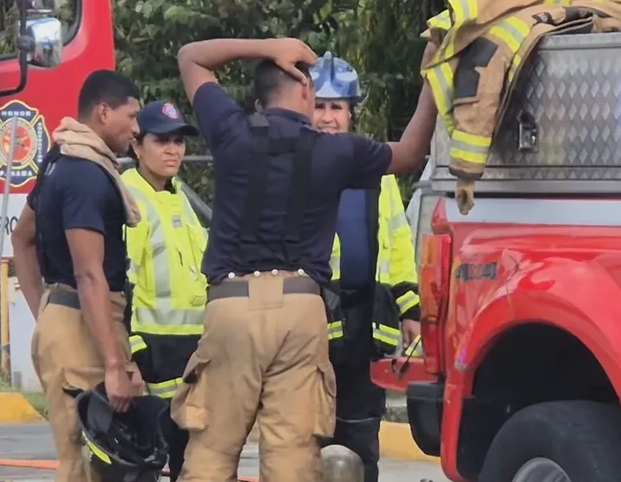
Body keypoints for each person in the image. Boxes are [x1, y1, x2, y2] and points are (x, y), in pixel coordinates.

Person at [169, 36, 438, 481]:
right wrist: (431, 78)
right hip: (302, 308)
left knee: (212, 450)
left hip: (232, 306)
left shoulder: (231, 130)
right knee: (292, 458)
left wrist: (267, 46)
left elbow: (190, 56)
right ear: (307, 91)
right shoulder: (337, 151)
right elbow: (410, 152)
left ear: (261, 98)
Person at [11, 69, 144, 482]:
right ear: (103, 112)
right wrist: (113, 364)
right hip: (83, 325)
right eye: (131, 117)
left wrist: (46, 311)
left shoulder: (59, 161)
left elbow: (22, 238)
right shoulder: (86, 175)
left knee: (97, 460)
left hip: (70, 318)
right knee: (88, 464)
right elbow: (89, 275)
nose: (136, 129)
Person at [311, 51, 422, 482]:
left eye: (336, 107)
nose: (327, 117)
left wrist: (409, 308)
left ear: (351, 113)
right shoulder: (299, 164)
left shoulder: (378, 167)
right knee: (309, 435)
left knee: (361, 437)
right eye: (319, 106)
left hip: (368, 320)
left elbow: (397, 240)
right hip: (314, 319)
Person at [122, 100, 208, 480]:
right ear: (137, 146)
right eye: (161, 141)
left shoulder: (179, 196)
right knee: (146, 464)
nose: (173, 150)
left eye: (179, 141)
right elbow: (119, 285)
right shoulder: (129, 198)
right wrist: (130, 355)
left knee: (190, 463)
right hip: (151, 352)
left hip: (191, 351)